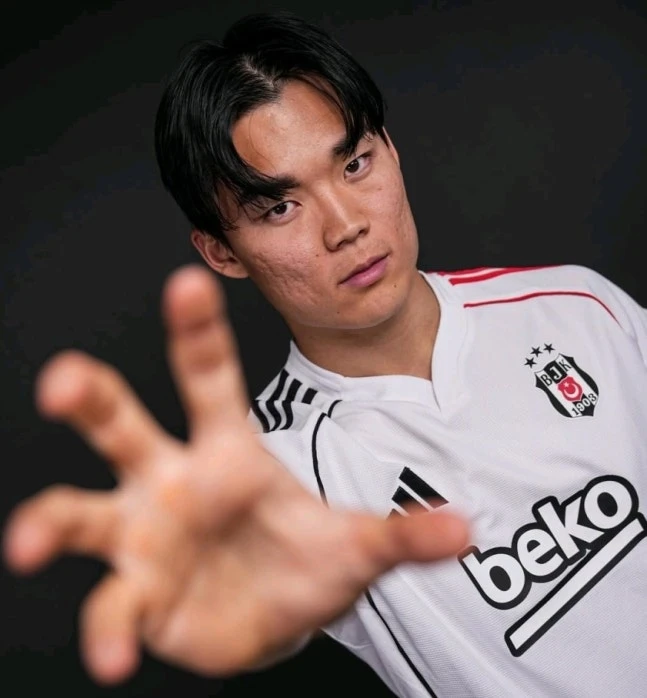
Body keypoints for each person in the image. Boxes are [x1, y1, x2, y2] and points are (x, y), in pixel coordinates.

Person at [4, 11, 646, 698]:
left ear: (390, 148)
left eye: (354, 164)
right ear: (222, 252)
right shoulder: (270, 470)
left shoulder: (577, 306)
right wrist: (213, 582)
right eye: (279, 208)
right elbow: (257, 572)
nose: (345, 226)